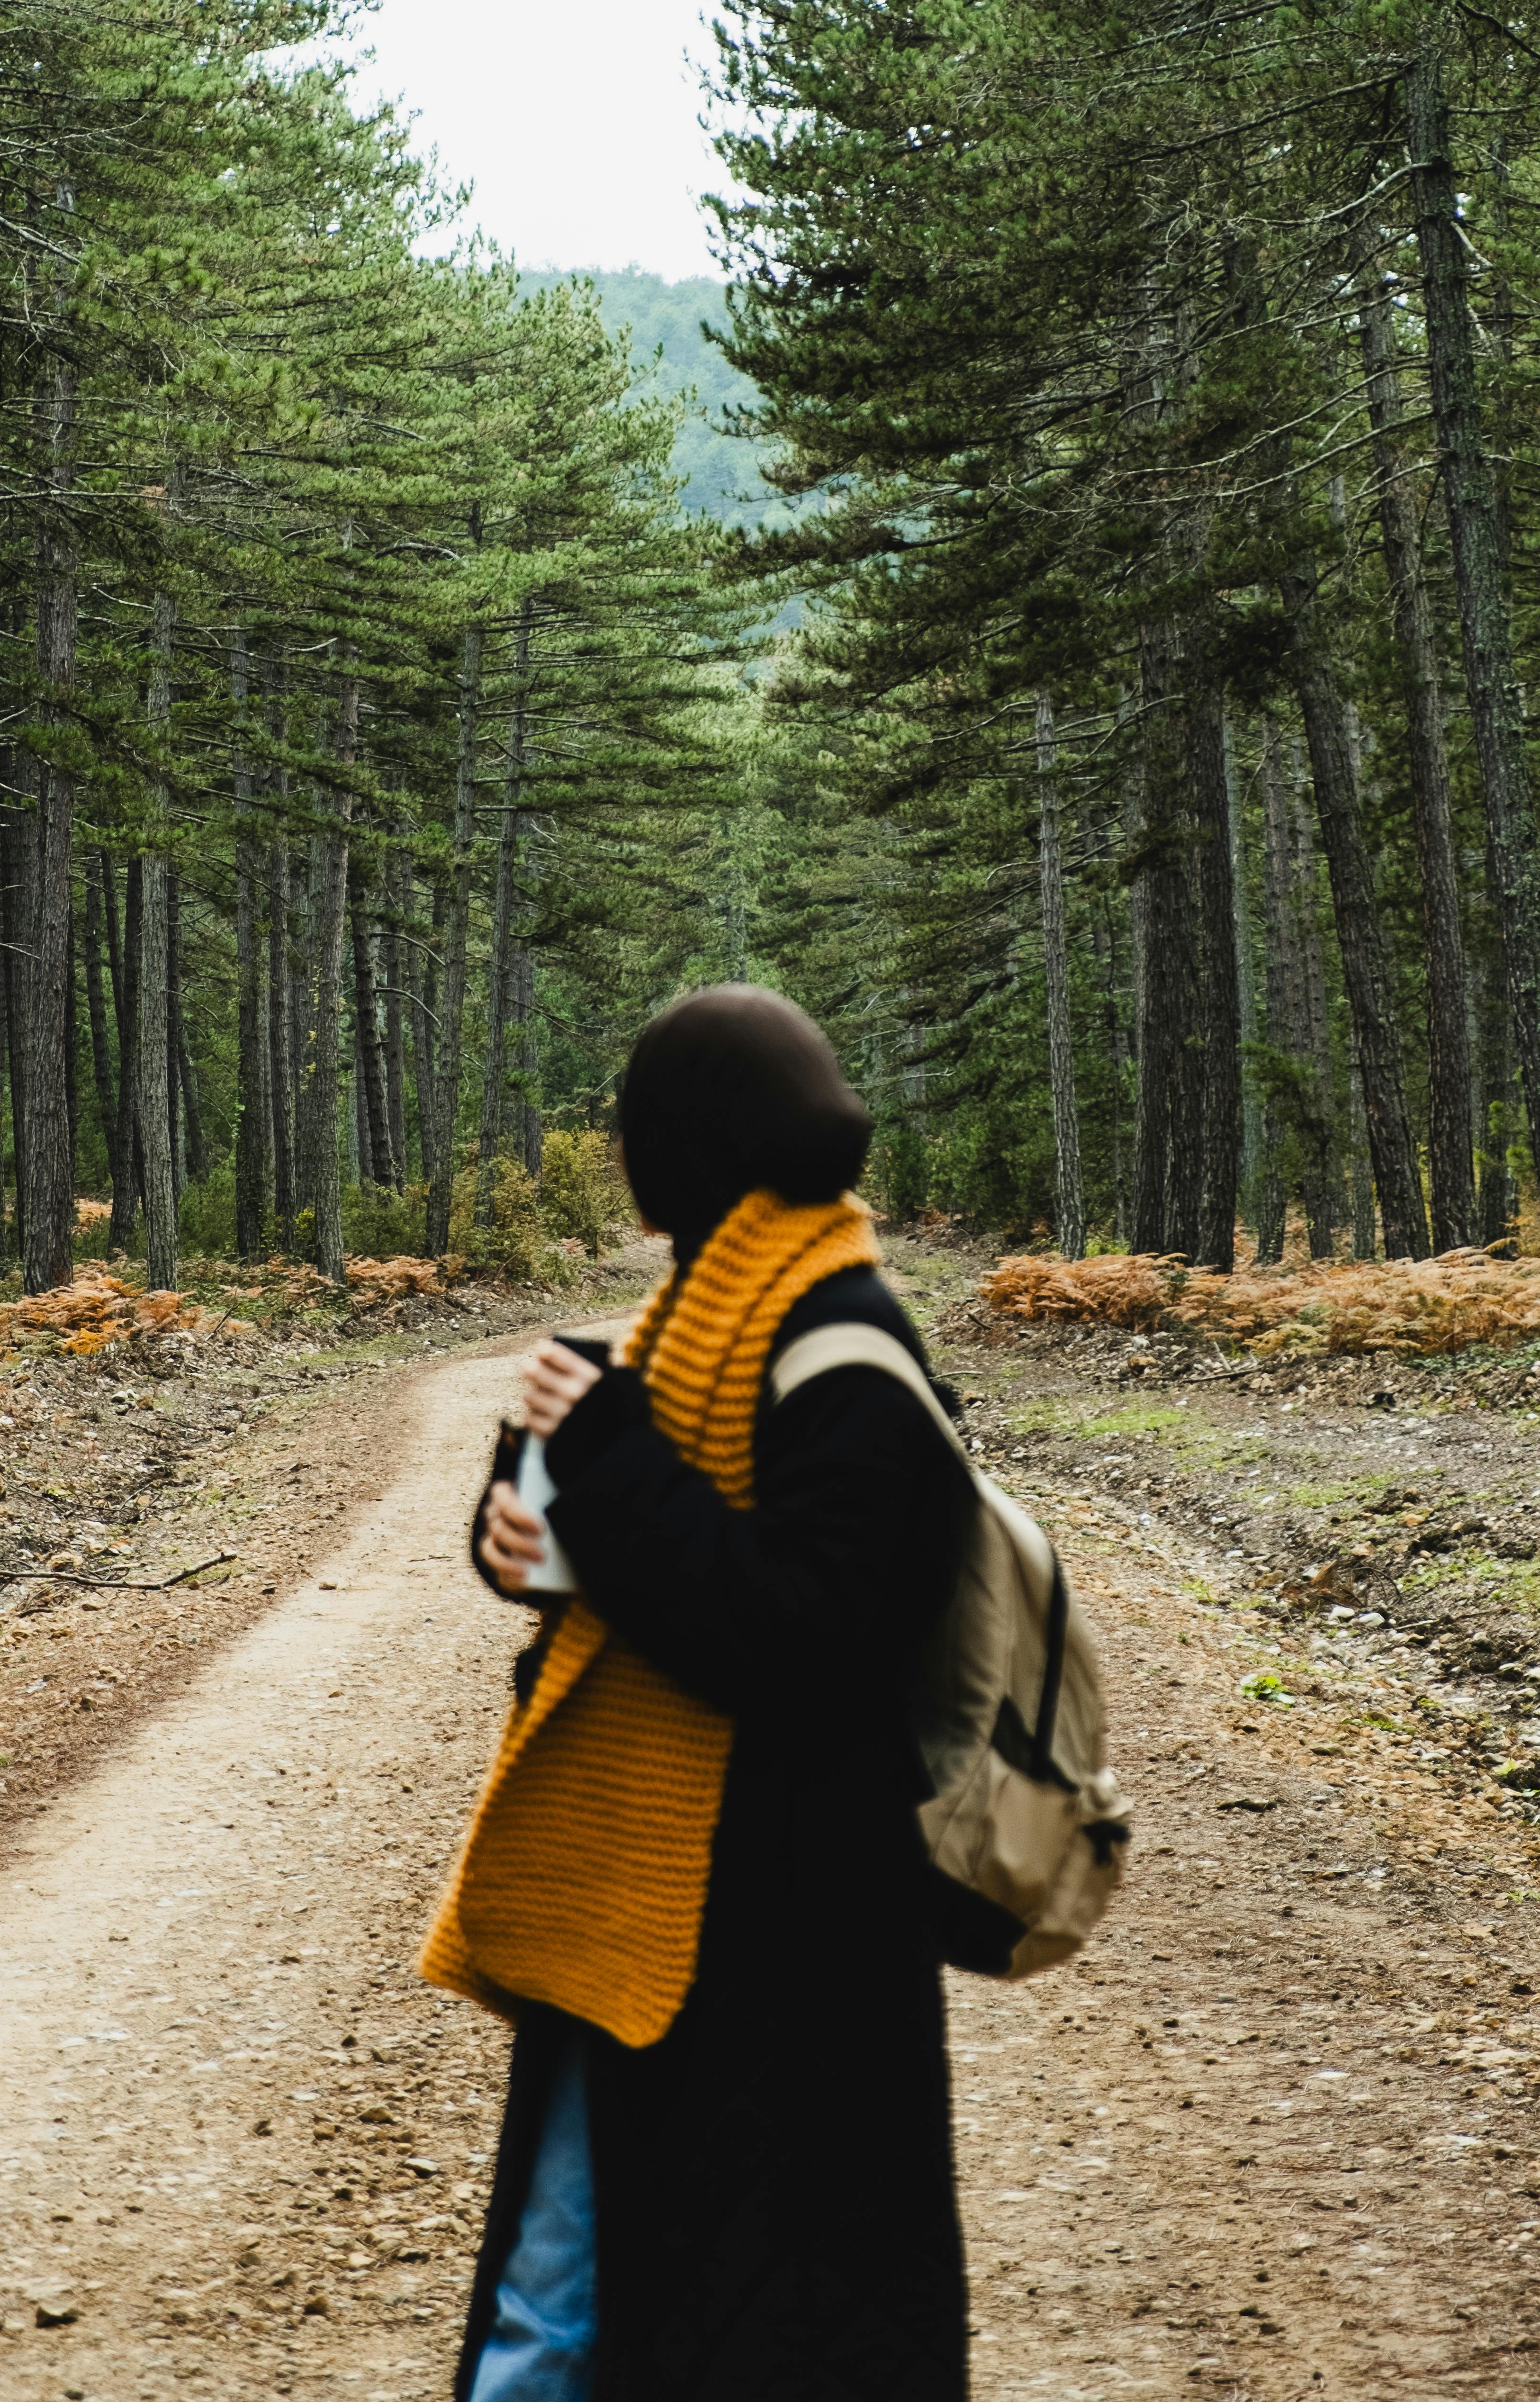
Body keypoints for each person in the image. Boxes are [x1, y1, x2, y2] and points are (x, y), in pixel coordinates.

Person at [419, 985, 975, 2402]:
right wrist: (529, 1550)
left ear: (685, 1148)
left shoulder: (850, 1355)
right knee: (567, 2297)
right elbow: (665, 1562)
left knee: (752, 2321)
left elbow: (793, 1634)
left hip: (792, 1939)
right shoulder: (681, 1331)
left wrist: (601, 1454)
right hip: (648, 1910)